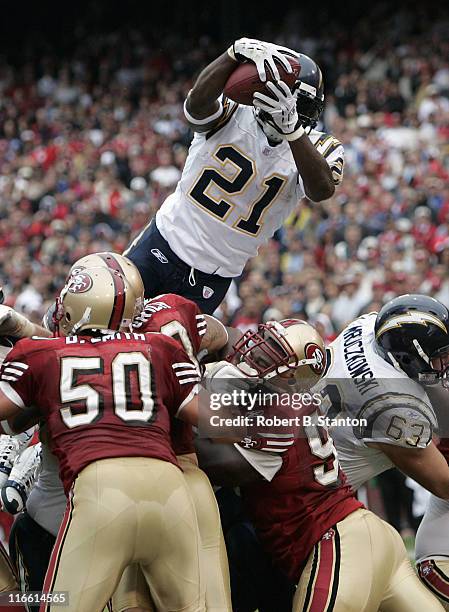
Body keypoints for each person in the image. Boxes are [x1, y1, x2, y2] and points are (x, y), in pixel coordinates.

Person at [6, 253, 235, 612]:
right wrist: (274, 418)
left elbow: (12, 414)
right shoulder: (160, 346)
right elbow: (215, 411)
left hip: (99, 492)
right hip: (174, 488)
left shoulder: (41, 354)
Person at [197, 319, 443, 611]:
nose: (256, 352)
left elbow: (222, 465)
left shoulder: (278, 415)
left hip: (337, 542)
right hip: (367, 533)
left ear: (294, 375)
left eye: (272, 350)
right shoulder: (286, 400)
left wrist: (183, 400)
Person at [125, 38, 344, 314]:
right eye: (288, 102)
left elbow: (321, 190)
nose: (295, 112)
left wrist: (293, 131)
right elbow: (195, 108)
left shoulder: (320, 147)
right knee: (107, 313)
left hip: (214, 275)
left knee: (172, 352)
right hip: (163, 243)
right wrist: (231, 53)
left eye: (303, 107)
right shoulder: (235, 113)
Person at [319, 294, 449, 500]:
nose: (446, 360)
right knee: (381, 533)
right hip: (315, 499)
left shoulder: (367, 325)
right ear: (409, 357)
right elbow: (444, 485)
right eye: (441, 355)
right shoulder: (393, 406)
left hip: (303, 448)